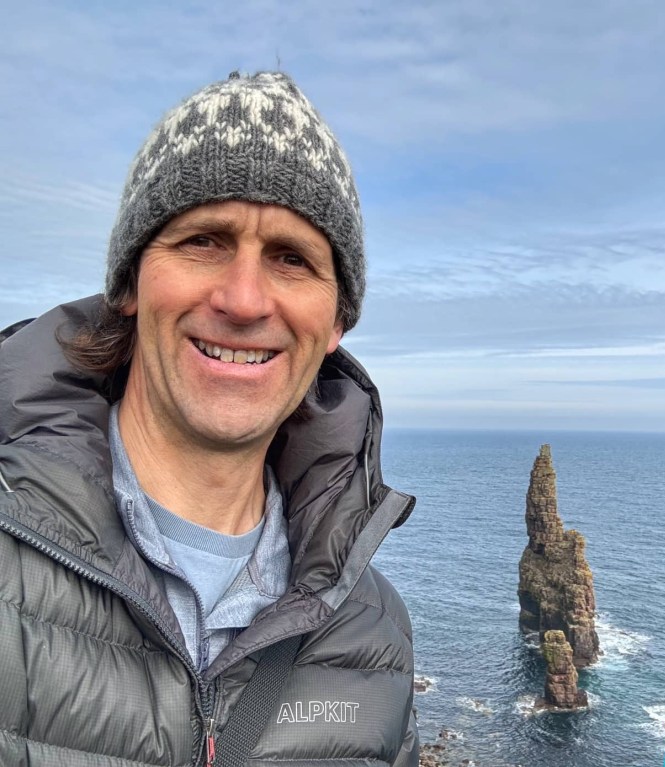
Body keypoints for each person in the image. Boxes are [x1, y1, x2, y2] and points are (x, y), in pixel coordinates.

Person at [0, 72, 419, 766]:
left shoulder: (376, 635)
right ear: (130, 282)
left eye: (292, 258)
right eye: (203, 241)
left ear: (336, 321)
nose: (244, 299)